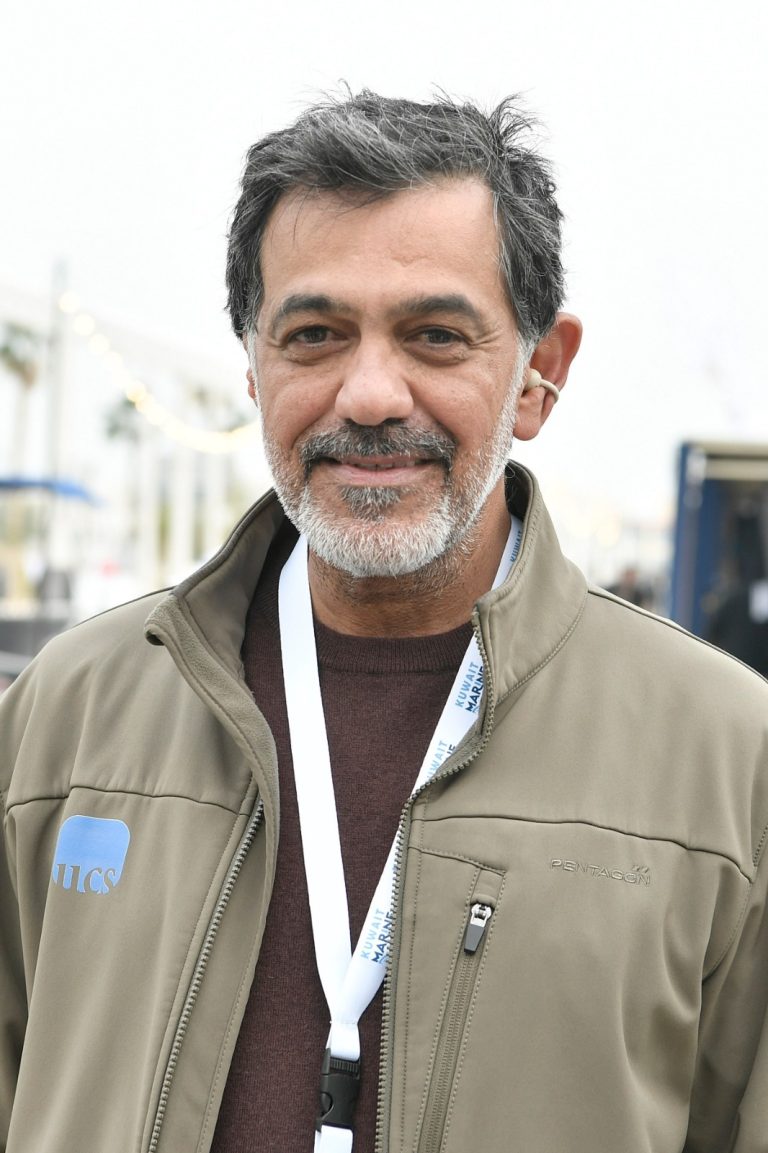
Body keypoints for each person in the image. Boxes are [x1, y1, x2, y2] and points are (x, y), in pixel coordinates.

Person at [1, 91, 767, 1153]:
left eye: (435, 336)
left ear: (539, 376)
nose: (368, 394)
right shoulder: (70, 716)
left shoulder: (725, 757)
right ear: (255, 363)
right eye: (314, 335)